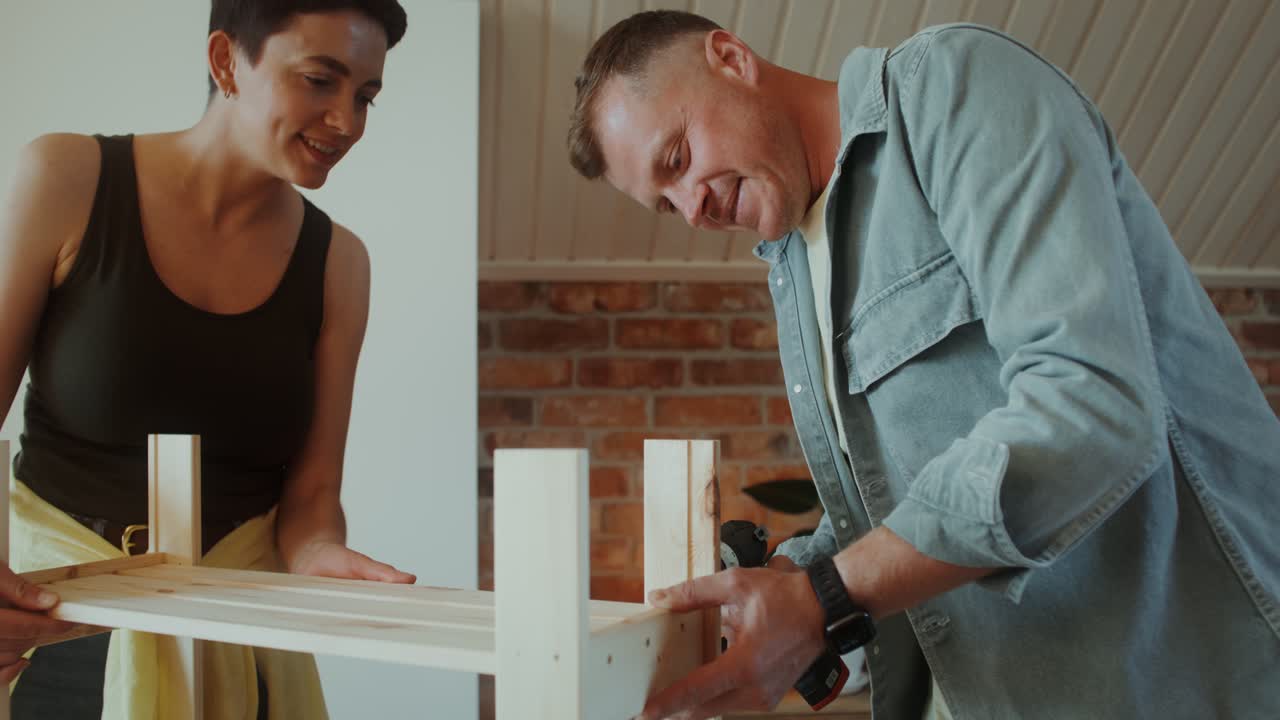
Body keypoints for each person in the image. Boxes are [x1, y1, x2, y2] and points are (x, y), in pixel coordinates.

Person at [567, 10, 1280, 720]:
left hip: (1183, 681)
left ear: (730, 58)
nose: (692, 209)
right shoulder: (792, 262)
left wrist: (825, 597)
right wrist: (790, 577)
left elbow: (1092, 404)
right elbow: (893, 513)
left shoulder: (950, 85)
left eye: (677, 159)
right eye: (665, 204)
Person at [0, 1, 415, 717]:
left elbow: (312, 495)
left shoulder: (340, 263)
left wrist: (318, 556)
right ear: (225, 60)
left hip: (238, 645)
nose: (346, 121)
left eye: (366, 96)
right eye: (321, 79)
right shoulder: (65, 177)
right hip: (51, 635)